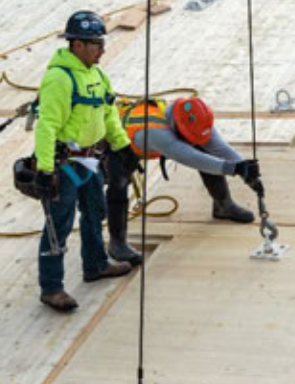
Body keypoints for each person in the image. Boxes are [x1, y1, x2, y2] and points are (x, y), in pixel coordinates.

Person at [33, 10, 135, 312]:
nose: (102, 50)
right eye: (95, 44)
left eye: (101, 43)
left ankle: (96, 264)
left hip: (91, 163)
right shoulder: (59, 79)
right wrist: (45, 169)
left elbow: (108, 114)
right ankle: (51, 288)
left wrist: (123, 146)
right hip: (65, 166)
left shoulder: (98, 75)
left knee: (95, 212)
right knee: (59, 223)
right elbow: (47, 125)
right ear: (76, 45)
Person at [104, 96, 262, 264]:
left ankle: (224, 206)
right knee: (118, 185)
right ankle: (117, 243)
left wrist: (245, 167)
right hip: (117, 145)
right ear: (178, 128)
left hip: (155, 138)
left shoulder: (194, 118)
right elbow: (192, 158)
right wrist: (236, 169)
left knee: (203, 148)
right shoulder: (156, 133)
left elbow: (218, 147)